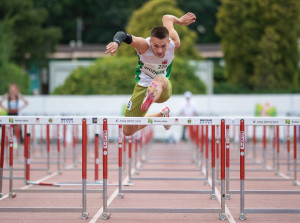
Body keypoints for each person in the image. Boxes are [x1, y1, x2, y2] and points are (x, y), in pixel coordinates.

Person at [105, 12, 196, 136]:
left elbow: (167, 17)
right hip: (142, 86)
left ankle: (152, 95)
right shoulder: (143, 45)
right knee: (128, 131)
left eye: (163, 46)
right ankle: (161, 115)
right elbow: (122, 35)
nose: (159, 50)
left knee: (159, 79)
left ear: (168, 42)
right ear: (150, 42)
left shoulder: (174, 43)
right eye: (155, 46)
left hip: (163, 88)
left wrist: (179, 21)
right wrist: (116, 42)